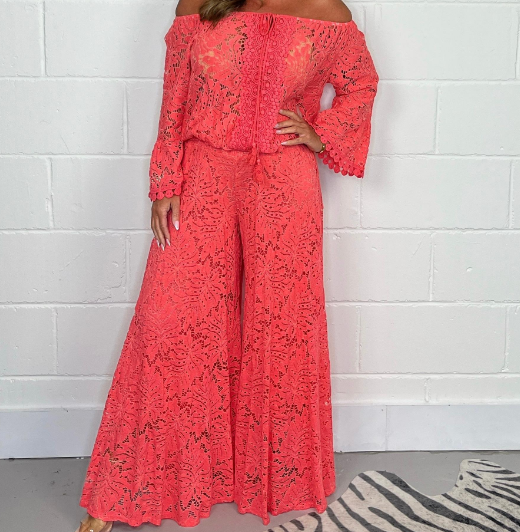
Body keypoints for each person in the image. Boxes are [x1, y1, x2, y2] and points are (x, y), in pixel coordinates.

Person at [75, 0, 378, 530]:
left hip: (286, 181)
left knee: (280, 324)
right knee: (168, 317)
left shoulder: (326, 10)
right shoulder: (198, 4)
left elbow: (362, 83)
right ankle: (123, 492)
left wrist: (321, 133)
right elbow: (175, 96)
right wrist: (165, 178)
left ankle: (275, 477)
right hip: (204, 173)